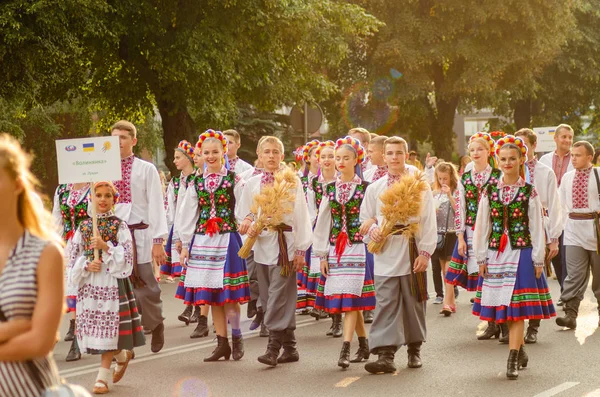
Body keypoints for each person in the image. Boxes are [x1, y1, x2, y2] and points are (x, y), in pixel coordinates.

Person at [472, 136, 555, 380]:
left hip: (522, 253)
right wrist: (481, 257)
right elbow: (482, 225)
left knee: (517, 309)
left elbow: (537, 226)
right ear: (498, 161)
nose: (508, 162)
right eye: (503, 159)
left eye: (512, 158)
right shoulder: (489, 190)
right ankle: (520, 350)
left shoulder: (529, 191)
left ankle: (511, 359)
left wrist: (539, 259)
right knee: (505, 306)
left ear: (521, 160)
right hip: (496, 253)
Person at [360, 136, 436, 374]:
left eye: (399, 153)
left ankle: (414, 349)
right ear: (383, 157)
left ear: (406, 155)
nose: (394, 158)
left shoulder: (418, 186)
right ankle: (386, 353)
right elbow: (365, 218)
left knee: (413, 303)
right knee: (386, 303)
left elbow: (428, 221)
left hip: (411, 247)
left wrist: (425, 252)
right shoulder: (375, 188)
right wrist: (374, 231)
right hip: (385, 252)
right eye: (390, 153)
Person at [237, 136, 312, 367]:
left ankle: (273, 347)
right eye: (266, 152)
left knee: (279, 295)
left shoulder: (292, 182)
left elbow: (301, 215)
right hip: (261, 245)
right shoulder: (251, 183)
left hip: (284, 245)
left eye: (275, 152)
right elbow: (244, 212)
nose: (271, 156)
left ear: (282, 156)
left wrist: (301, 249)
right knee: (270, 297)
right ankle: (291, 348)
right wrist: (249, 222)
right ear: (259, 155)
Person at [0, 133, 64, 395]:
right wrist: (11, 330)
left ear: (17, 184)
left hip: (29, 389)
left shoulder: (46, 253)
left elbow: (40, 341)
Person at [178, 130, 250, 360]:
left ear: (223, 153)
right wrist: (186, 244)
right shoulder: (196, 183)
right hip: (203, 241)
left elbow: (245, 207)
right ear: (200, 154)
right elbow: (188, 213)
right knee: (212, 296)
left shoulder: (234, 179)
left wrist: (245, 221)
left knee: (228, 296)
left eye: (215, 152)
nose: (210, 156)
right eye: (206, 153)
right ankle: (222, 343)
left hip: (227, 238)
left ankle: (237, 338)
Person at [69, 181, 145, 394]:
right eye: (98, 195)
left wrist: (106, 247)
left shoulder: (119, 225)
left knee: (109, 331)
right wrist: (86, 264)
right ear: (91, 198)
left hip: (112, 281)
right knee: (101, 334)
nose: (102, 199)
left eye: (107, 196)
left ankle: (101, 379)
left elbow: (128, 256)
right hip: (90, 283)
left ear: (114, 200)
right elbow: (72, 257)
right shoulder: (83, 226)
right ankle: (122, 356)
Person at [313, 137, 376, 369]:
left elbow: (374, 215)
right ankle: (364, 344)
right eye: (337, 158)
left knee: (351, 301)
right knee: (352, 301)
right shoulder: (330, 188)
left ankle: (345, 348)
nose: (339, 162)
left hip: (359, 249)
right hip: (336, 250)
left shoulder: (366, 187)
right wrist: (321, 255)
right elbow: (323, 221)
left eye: (345, 158)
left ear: (355, 160)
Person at [110, 120, 168, 353]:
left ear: (133, 141)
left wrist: (158, 241)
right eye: (114, 138)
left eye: (123, 137)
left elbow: (156, 204)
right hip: (114, 237)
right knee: (117, 290)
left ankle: (156, 323)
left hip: (140, 234)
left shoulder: (146, 169)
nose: (118, 142)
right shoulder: (103, 170)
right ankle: (125, 341)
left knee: (146, 287)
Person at [445, 133, 504, 340]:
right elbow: (460, 208)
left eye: (480, 149)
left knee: (496, 274)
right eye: (472, 150)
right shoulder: (466, 178)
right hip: (471, 231)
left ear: (489, 152)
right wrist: (460, 237)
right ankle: (491, 322)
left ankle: (501, 322)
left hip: (495, 231)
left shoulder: (498, 175)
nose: (476, 153)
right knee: (482, 276)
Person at [515, 128, 563, 343]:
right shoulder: (509, 169)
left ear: (534, 146)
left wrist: (554, 238)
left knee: (536, 275)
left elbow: (554, 205)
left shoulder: (545, 172)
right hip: (515, 228)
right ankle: (510, 323)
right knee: (515, 275)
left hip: (539, 227)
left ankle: (533, 325)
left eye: (524, 145)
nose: (521, 149)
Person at [555, 141, 600, 330]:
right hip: (573, 228)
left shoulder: (599, 174)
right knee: (574, 274)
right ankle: (570, 314)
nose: (573, 158)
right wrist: (557, 231)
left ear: (589, 157)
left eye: (578, 155)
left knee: (599, 275)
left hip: (596, 228)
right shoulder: (567, 177)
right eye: (572, 155)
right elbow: (560, 204)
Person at [52, 181, 91, 362]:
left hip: (89, 247)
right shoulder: (62, 190)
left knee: (93, 293)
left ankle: (113, 344)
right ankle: (76, 338)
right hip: (69, 248)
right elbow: (56, 222)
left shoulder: (94, 187)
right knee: (73, 291)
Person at [297, 141, 336, 322]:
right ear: (317, 161)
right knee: (322, 267)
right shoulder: (313, 182)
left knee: (335, 270)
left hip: (337, 229)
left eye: (331, 156)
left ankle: (336, 317)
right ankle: (322, 306)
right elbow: (310, 207)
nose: (327, 160)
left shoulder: (340, 180)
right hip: (319, 227)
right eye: (323, 157)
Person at [162, 141, 199, 326]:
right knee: (187, 270)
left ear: (188, 157)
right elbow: (172, 211)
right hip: (180, 231)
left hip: (198, 231)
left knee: (195, 271)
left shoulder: (199, 179)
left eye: (178, 157)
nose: (174, 161)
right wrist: (175, 235)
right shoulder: (175, 183)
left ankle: (195, 308)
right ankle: (191, 307)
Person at [539, 124, 574, 297]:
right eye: (564, 136)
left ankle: (567, 293)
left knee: (568, 257)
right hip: (551, 215)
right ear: (556, 138)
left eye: (570, 137)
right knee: (555, 255)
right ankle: (564, 290)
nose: (567, 140)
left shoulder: (575, 159)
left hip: (569, 215)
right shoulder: (544, 160)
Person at [431, 162, 460, 315]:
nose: (443, 181)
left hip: (453, 233)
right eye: (440, 178)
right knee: (444, 270)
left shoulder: (456, 191)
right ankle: (452, 302)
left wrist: (449, 195)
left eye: (446, 178)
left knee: (449, 269)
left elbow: (459, 211)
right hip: (439, 234)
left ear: (451, 177)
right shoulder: (434, 193)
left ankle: (447, 303)